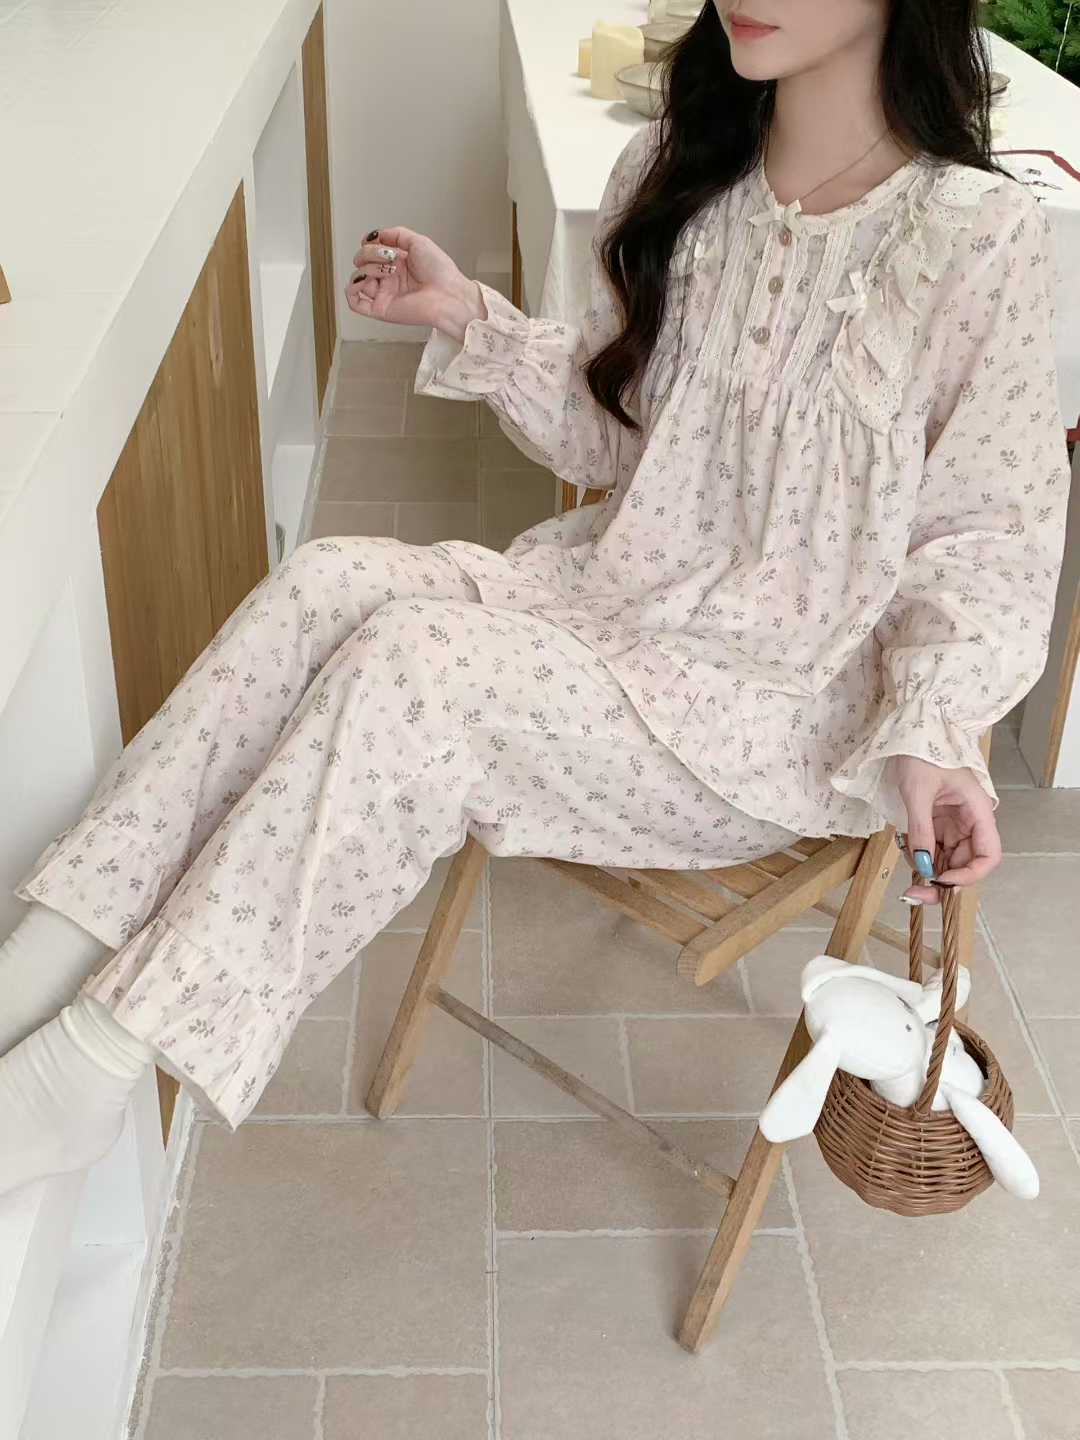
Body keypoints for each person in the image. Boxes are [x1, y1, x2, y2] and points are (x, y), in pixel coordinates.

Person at [0, 0, 1068, 1198]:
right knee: (326, 580)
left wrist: (931, 735)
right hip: (608, 606)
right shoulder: (679, 173)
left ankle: (96, 1064)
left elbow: (988, 537)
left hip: (777, 713)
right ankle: (50, 954)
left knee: (419, 670)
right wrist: (468, 317)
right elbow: (623, 443)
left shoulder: (976, 239)